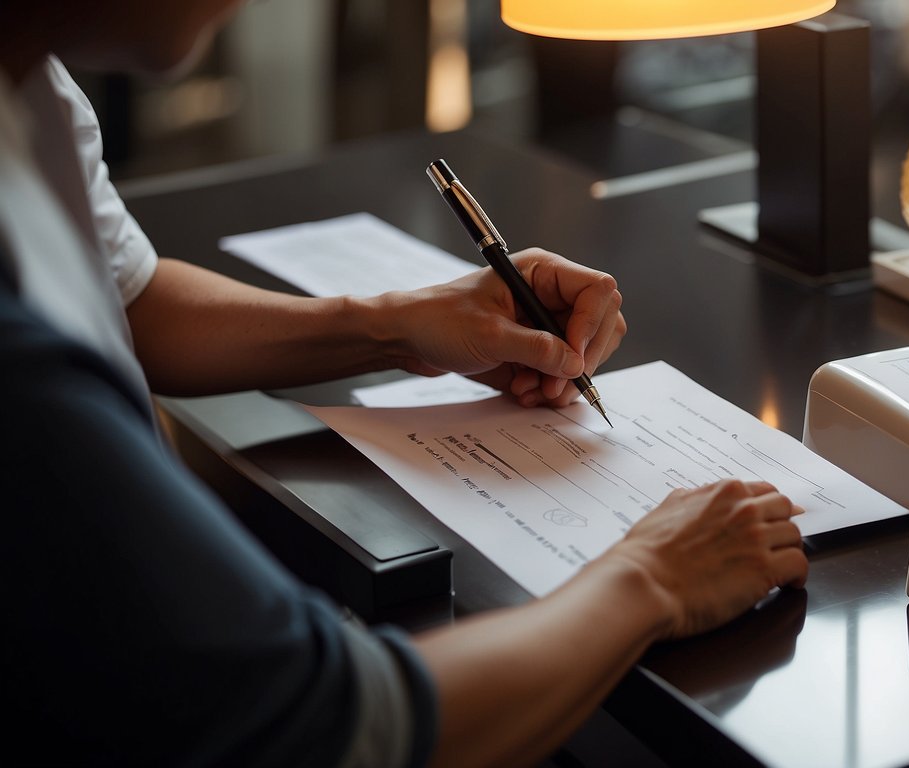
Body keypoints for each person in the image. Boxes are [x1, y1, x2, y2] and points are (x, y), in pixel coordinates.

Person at [0, 2, 810, 766]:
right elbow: (342, 729)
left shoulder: (32, 85)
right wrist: (653, 578)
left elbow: (126, 295)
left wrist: (401, 325)